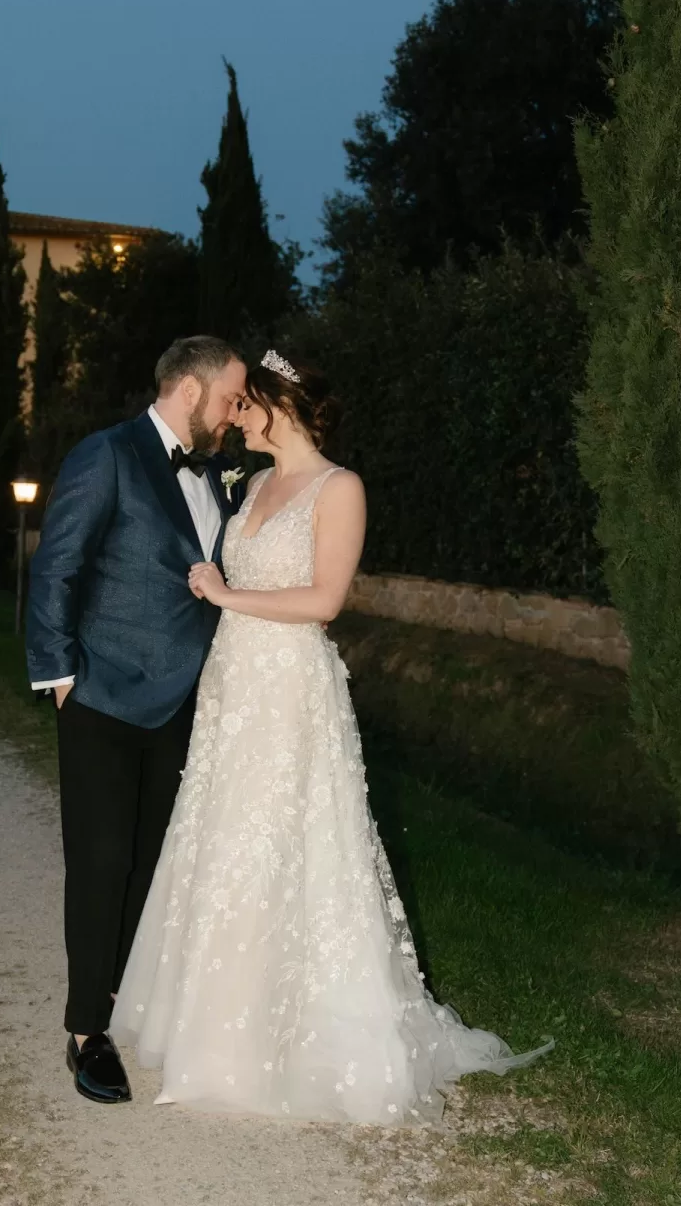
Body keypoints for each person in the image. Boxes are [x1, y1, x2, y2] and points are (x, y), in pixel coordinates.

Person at [111, 350, 552, 1123]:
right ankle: (210, 1031)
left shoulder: (338, 487)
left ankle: (299, 1040)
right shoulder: (244, 486)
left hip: (287, 692)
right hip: (232, 686)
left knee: (286, 841)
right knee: (221, 839)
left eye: (246, 405)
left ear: (282, 406)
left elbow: (323, 601)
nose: (234, 417)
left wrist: (226, 591)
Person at [26, 335, 248, 1104]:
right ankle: (86, 1030)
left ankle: (129, 999)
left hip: (187, 702)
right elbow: (56, 564)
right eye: (228, 398)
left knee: (154, 862)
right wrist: (58, 675)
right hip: (102, 696)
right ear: (189, 390)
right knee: (99, 862)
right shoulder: (107, 454)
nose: (232, 414)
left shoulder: (221, 467)